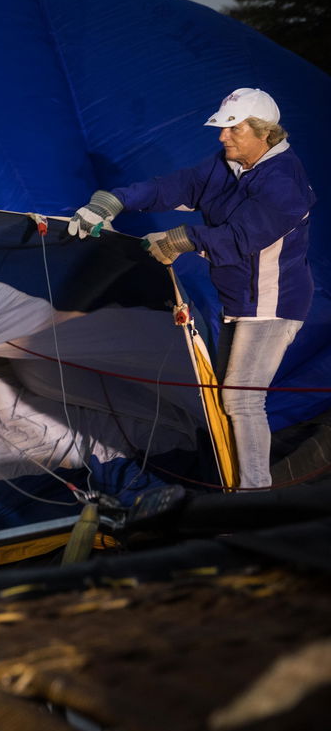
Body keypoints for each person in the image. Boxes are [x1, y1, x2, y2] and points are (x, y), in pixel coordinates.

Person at [68, 88, 314, 489]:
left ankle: (255, 499)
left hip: (273, 305)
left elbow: (239, 238)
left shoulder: (284, 181)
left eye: (232, 129)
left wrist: (180, 239)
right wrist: (113, 200)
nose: (222, 137)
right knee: (221, 397)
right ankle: (229, 479)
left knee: (242, 400)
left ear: (263, 133)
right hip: (238, 301)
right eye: (222, 129)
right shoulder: (229, 165)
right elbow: (175, 187)